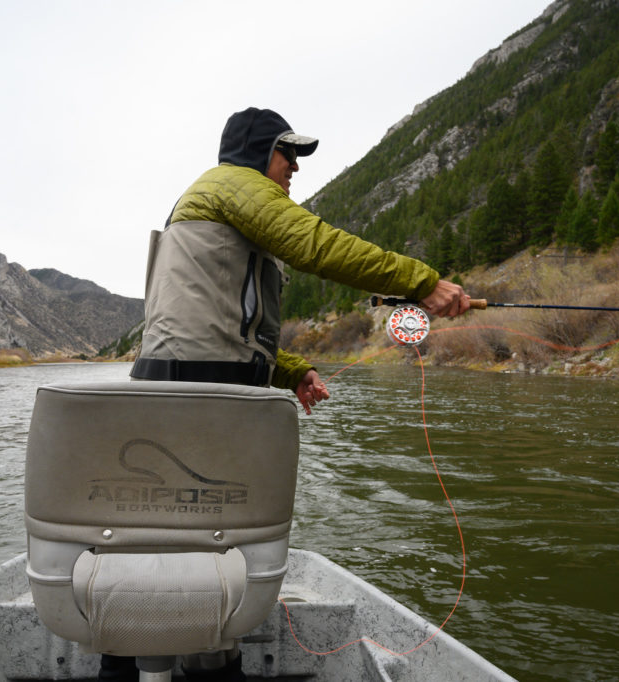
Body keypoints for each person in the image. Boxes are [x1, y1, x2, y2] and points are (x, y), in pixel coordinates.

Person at [108, 107, 471, 681]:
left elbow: (219, 322)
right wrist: (421, 283)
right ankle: (190, 664)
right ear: (256, 151)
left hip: (185, 379)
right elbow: (314, 244)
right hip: (207, 389)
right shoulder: (236, 184)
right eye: (288, 152)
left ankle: (142, 661)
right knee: (209, 534)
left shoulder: (214, 202)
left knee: (169, 533)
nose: (295, 167)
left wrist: (292, 370)